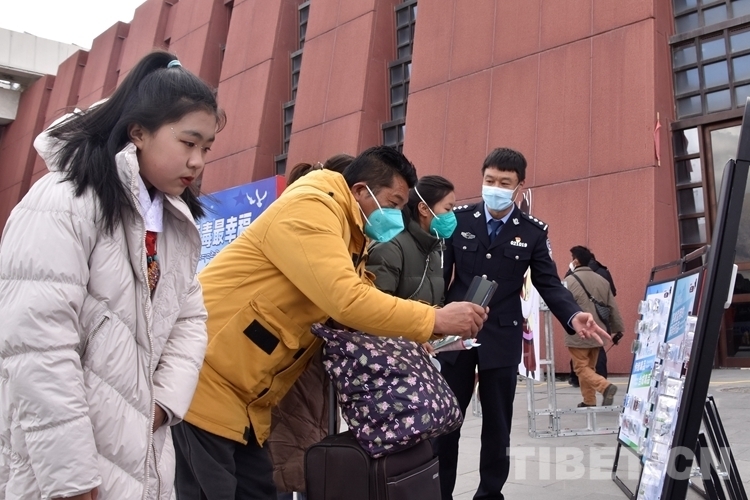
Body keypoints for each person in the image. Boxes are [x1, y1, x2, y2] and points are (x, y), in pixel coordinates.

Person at [172, 145, 488, 499]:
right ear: (360, 190)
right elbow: (346, 300)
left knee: (258, 491)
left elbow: (358, 310)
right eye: (393, 203)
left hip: (247, 397)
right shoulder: (312, 207)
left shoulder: (352, 233)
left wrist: (416, 337)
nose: (397, 216)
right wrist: (435, 317)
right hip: (208, 380)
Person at [0, 51, 222, 500]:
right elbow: (36, 345)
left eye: (206, 148)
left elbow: (189, 322)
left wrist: (162, 405)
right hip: (59, 464)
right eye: (188, 143)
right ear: (138, 132)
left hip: (142, 448)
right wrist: (71, 477)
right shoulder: (63, 201)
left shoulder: (173, 222)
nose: (198, 161)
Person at [436, 147, 610, 500]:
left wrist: (573, 314)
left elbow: (549, 283)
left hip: (501, 336)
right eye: (490, 180)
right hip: (454, 335)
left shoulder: (532, 232)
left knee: (497, 425)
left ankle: (489, 494)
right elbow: (440, 277)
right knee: (445, 422)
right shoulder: (459, 220)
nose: (495, 188)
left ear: (519, 187)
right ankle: (439, 492)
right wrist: (430, 321)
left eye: (504, 183)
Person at [271, 153, 353, 500]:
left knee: (308, 450)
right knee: (293, 456)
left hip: (313, 364)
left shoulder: (336, 234)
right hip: (292, 361)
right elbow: (344, 301)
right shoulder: (307, 229)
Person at [367, 175, 457, 306]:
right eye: (448, 209)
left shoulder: (434, 252)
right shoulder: (390, 246)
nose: (452, 216)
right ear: (424, 209)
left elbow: (438, 303)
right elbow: (376, 307)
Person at [564, 246, 624, 407]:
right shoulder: (602, 280)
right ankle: (589, 400)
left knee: (581, 368)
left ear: (576, 261)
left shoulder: (568, 281)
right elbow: (613, 307)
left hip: (578, 332)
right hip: (598, 330)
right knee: (589, 367)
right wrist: (617, 330)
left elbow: (562, 305)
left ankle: (604, 386)